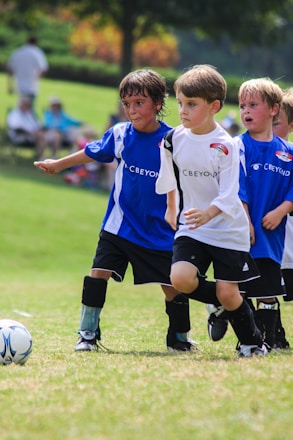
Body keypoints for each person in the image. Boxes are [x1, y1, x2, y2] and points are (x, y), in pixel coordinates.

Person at [34, 69, 199, 353]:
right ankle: (87, 334)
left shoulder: (174, 140)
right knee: (98, 272)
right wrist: (58, 164)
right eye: (127, 104)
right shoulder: (120, 134)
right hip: (119, 224)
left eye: (139, 103)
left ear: (158, 103)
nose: (132, 110)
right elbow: (92, 151)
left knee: (172, 286)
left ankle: (179, 338)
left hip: (159, 230)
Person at [156, 64, 266, 357]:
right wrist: (171, 208)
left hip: (228, 229)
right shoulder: (171, 140)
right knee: (179, 279)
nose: (183, 111)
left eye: (191, 104)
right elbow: (169, 178)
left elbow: (230, 195)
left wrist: (209, 213)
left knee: (229, 293)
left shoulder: (227, 146)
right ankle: (217, 302)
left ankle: (252, 343)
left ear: (214, 106)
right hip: (193, 226)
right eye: (180, 103)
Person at [207, 78, 293, 350]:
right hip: (239, 234)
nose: (245, 111)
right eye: (242, 105)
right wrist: (246, 222)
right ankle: (246, 336)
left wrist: (281, 211)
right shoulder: (237, 146)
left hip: (270, 237)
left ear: (273, 109)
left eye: (253, 105)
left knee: (267, 294)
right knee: (237, 290)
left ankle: (265, 341)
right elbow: (236, 187)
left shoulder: (288, 152)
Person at [7, 95, 60, 160]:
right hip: (21, 136)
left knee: (56, 135)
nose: (26, 106)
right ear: (20, 104)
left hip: (34, 134)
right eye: (25, 104)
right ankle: (42, 158)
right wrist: (32, 132)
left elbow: (38, 126)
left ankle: (54, 158)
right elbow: (16, 128)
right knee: (40, 135)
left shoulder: (30, 114)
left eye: (27, 105)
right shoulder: (14, 114)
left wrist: (42, 130)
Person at [7, 36, 48, 106]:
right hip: (31, 86)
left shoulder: (18, 52)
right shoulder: (37, 53)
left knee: (20, 108)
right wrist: (36, 78)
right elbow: (43, 69)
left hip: (19, 85)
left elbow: (10, 70)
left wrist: (10, 85)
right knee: (28, 109)